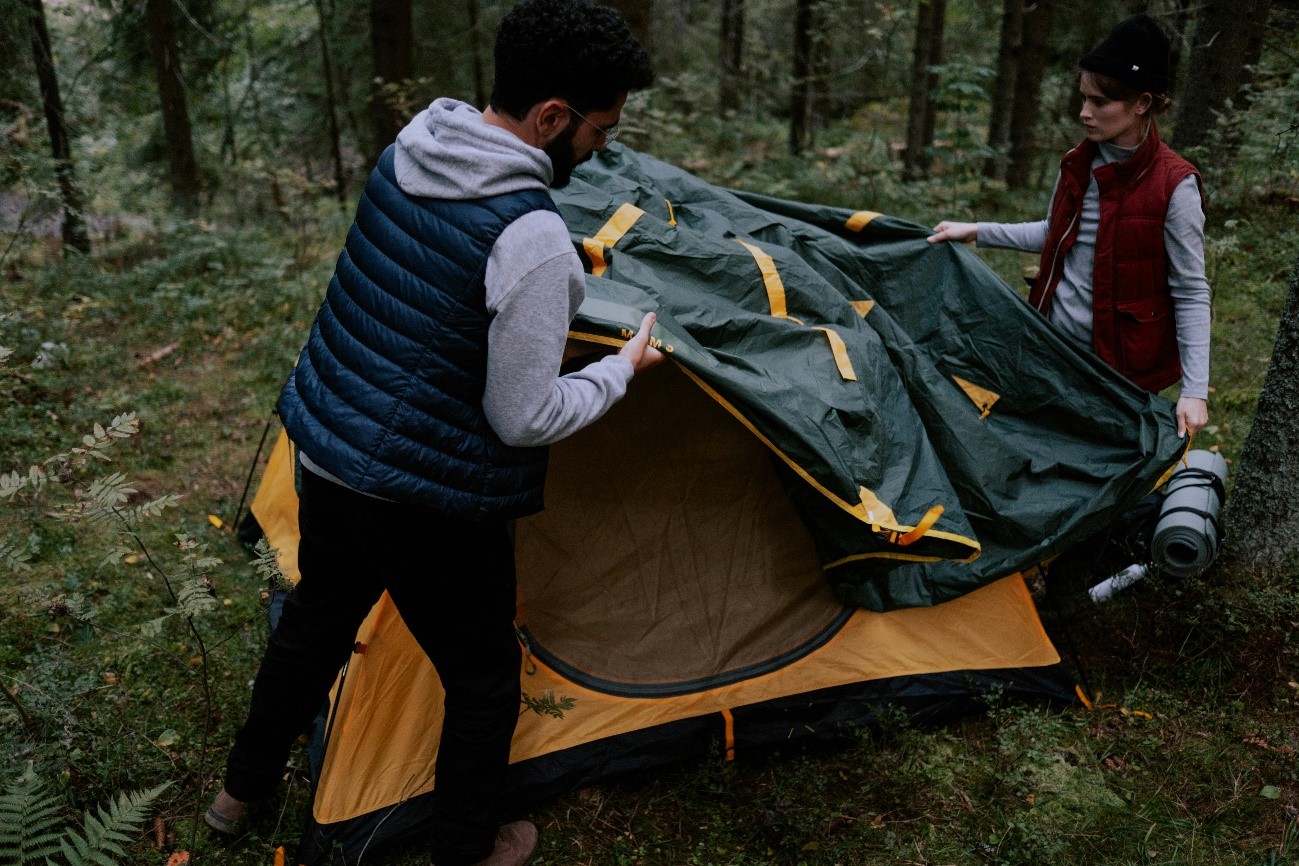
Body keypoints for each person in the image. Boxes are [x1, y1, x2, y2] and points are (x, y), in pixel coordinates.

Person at [205, 2, 657, 864]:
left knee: (315, 624)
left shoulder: (416, 143)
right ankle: (467, 849)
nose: (601, 147)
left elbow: (417, 301)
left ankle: (237, 797)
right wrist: (617, 370)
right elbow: (521, 417)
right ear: (551, 117)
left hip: (331, 451)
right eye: (599, 129)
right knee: (482, 681)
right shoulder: (531, 238)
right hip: (427, 501)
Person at [927, 14, 1211, 614]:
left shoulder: (1175, 186)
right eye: (1082, 97)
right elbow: (1055, 231)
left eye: (1101, 101)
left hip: (1120, 369)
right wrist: (977, 230)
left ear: (1142, 104)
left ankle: (1068, 585)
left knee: (1096, 476)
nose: (1085, 112)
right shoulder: (1079, 163)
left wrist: (1196, 389)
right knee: (1035, 459)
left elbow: (1191, 290)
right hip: (1054, 350)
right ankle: (1016, 571)